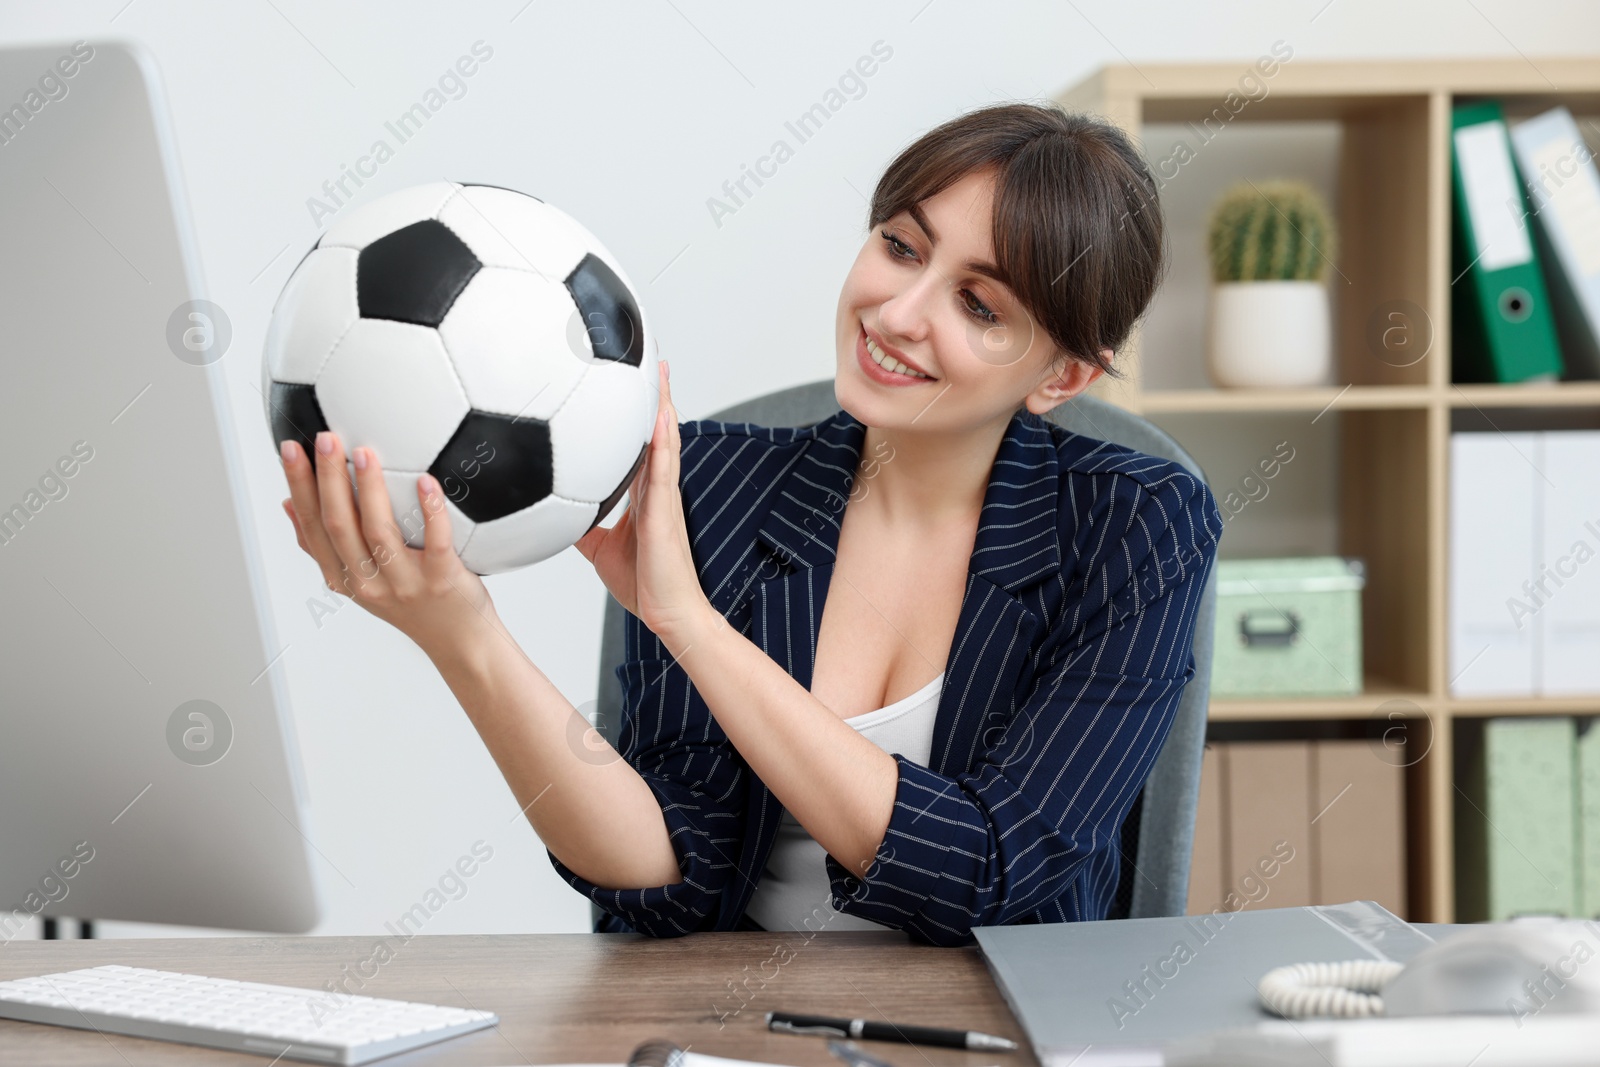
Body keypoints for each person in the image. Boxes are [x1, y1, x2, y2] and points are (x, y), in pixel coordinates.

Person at [277, 102, 1222, 947]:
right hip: (732, 1031)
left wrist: (687, 622)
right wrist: (464, 637)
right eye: (900, 245)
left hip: (995, 1033)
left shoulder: (1139, 526)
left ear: (1062, 377)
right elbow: (667, 878)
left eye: (978, 304)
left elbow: (991, 875)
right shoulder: (714, 483)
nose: (897, 312)